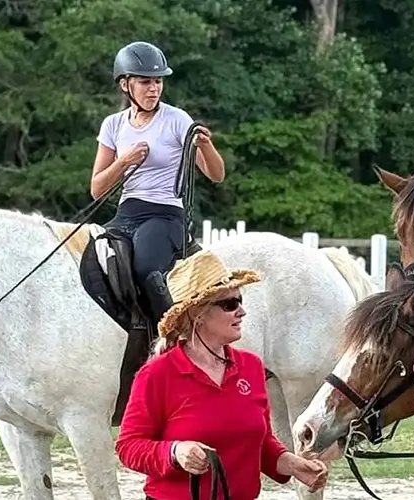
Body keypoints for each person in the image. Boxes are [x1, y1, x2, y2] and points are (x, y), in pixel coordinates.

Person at [115, 249, 329, 500]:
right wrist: (174, 452)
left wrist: (292, 465)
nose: (241, 311)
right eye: (229, 304)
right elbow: (128, 447)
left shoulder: (251, 367)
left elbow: (258, 443)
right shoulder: (157, 374)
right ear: (198, 314)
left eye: (240, 301)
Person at [89, 40, 226, 328]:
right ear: (125, 85)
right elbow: (97, 188)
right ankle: (128, 332)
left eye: (158, 81)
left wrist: (206, 146)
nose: (154, 88)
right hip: (127, 213)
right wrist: (124, 161)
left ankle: (176, 338)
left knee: (147, 267)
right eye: (145, 82)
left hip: (164, 213)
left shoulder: (177, 120)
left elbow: (217, 174)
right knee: (95, 263)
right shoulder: (113, 125)